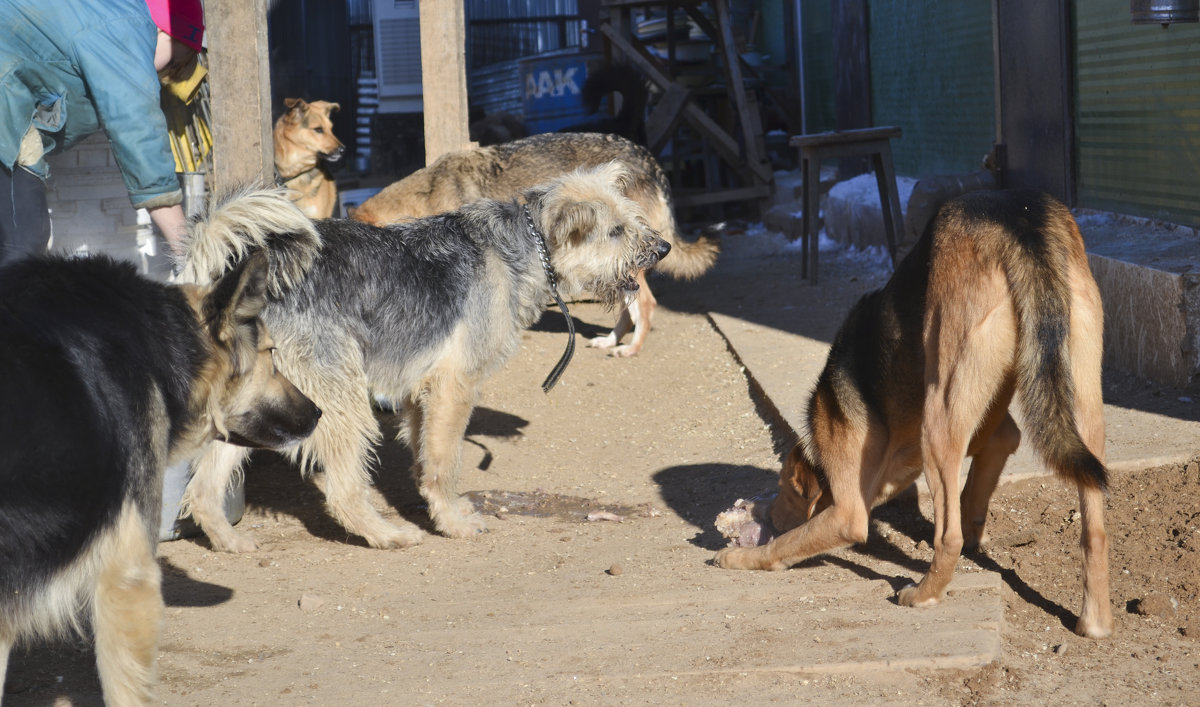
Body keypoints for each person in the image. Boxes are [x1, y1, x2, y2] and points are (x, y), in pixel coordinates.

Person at [0, 0, 204, 266]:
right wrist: (186, 252)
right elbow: (137, 130)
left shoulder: (104, 11)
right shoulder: (128, 26)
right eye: (175, 62)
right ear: (164, 30)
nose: (164, 73)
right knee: (23, 241)